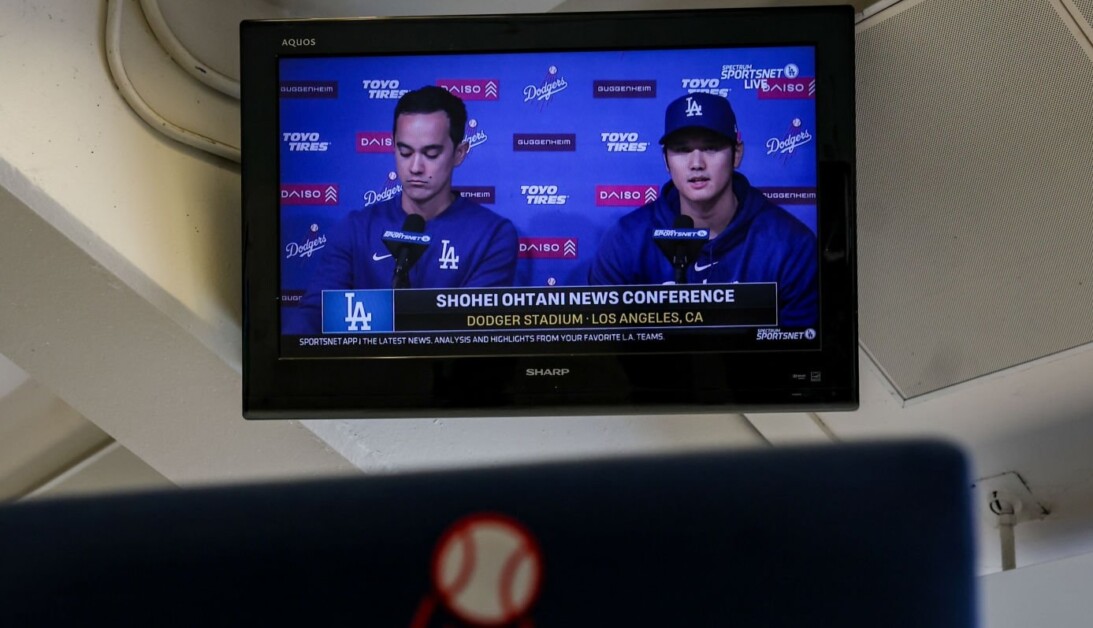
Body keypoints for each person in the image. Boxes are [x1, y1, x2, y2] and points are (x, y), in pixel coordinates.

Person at [297, 86, 518, 333]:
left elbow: (471, 330)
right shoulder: (355, 228)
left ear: (459, 153)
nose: (415, 167)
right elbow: (313, 320)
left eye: (431, 153)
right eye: (404, 152)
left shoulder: (493, 236)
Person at [588, 92, 818, 327]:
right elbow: (608, 349)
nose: (696, 163)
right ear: (666, 160)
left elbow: (798, 354)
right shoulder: (625, 241)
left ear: (737, 153)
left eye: (711, 148)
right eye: (682, 150)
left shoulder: (791, 245)